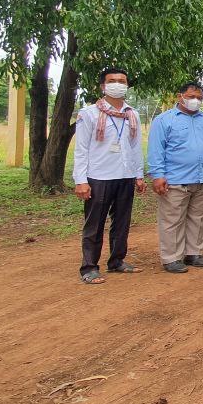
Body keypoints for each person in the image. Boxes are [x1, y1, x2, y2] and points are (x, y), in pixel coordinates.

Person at [73, 67, 145, 284]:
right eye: (112, 80)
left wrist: (139, 175)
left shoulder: (132, 114)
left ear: (127, 86)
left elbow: (135, 146)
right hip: (99, 176)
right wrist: (81, 180)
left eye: (122, 81)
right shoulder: (89, 114)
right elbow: (81, 149)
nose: (118, 84)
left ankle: (117, 260)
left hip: (125, 175)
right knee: (95, 224)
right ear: (103, 86)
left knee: (122, 221)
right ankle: (89, 267)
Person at [147, 82, 203, 273]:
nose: (195, 100)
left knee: (197, 218)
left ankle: (193, 253)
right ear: (180, 96)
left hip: (202, 179)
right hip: (175, 180)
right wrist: (157, 175)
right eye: (191, 96)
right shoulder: (164, 120)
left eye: (199, 97)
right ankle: (172, 258)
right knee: (172, 220)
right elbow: (156, 150)